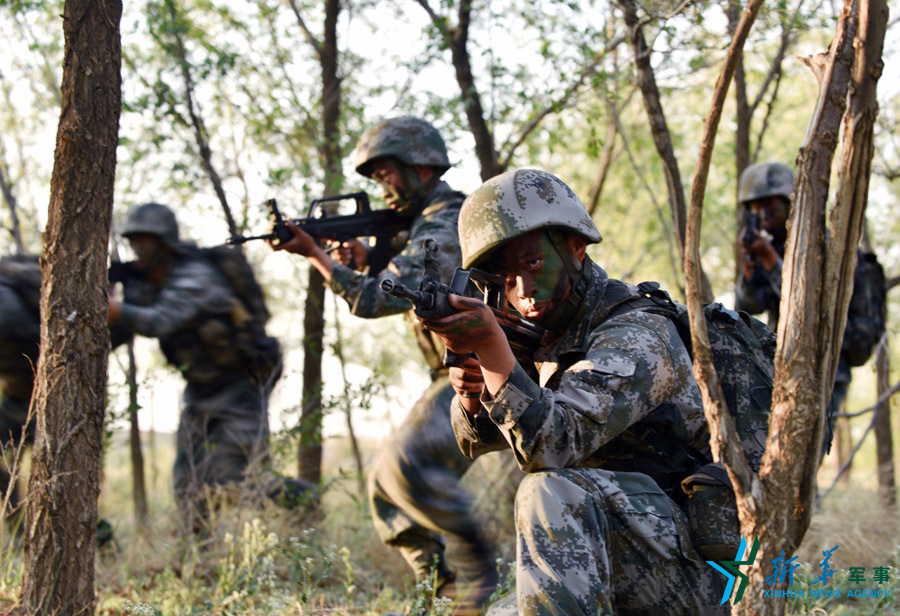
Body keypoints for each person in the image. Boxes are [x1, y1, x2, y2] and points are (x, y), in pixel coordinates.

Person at [419, 168, 728, 615]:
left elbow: (552, 447)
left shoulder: (635, 333)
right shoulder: (549, 335)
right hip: (635, 555)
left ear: (575, 246)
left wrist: (490, 345)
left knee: (547, 491)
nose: (522, 290)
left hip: (707, 577)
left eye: (533, 263)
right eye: (504, 277)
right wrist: (473, 384)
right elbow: (475, 442)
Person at [270, 116, 500, 611]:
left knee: (407, 466)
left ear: (420, 166)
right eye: (375, 179)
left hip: (495, 370)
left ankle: (482, 576)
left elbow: (378, 298)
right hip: (464, 371)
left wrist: (316, 255)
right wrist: (361, 257)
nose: (383, 187)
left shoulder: (446, 216)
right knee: (385, 487)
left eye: (386, 173)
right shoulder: (420, 224)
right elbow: (400, 270)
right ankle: (438, 592)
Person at [108, 202, 310, 533]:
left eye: (147, 239)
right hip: (200, 387)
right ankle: (198, 555)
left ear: (166, 242)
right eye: (135, 239)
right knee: (187, 478)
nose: (139, 247)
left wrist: (115, 309)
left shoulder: (195, 276)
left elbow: (160, 320)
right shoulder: (149, 281)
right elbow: (118, 333)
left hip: (240, 384)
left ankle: (304, 501)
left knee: (233, 478)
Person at [736, 161, 884, 449]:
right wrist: (749, 266)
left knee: (804, 452)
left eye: (769, 205)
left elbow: (806, 306)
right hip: (781, 364)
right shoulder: (771, 248)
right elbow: (749, 305)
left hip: (827, 363)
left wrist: (768, 258)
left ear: (789, 203)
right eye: (755, 207)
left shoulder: (822, 244)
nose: (762, 214)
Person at [0, 254, 41, 532]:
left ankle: (100, 538)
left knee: (60, 477)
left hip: (47, 404)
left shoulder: (7, 308)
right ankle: (17, 534)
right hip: (15, 398)